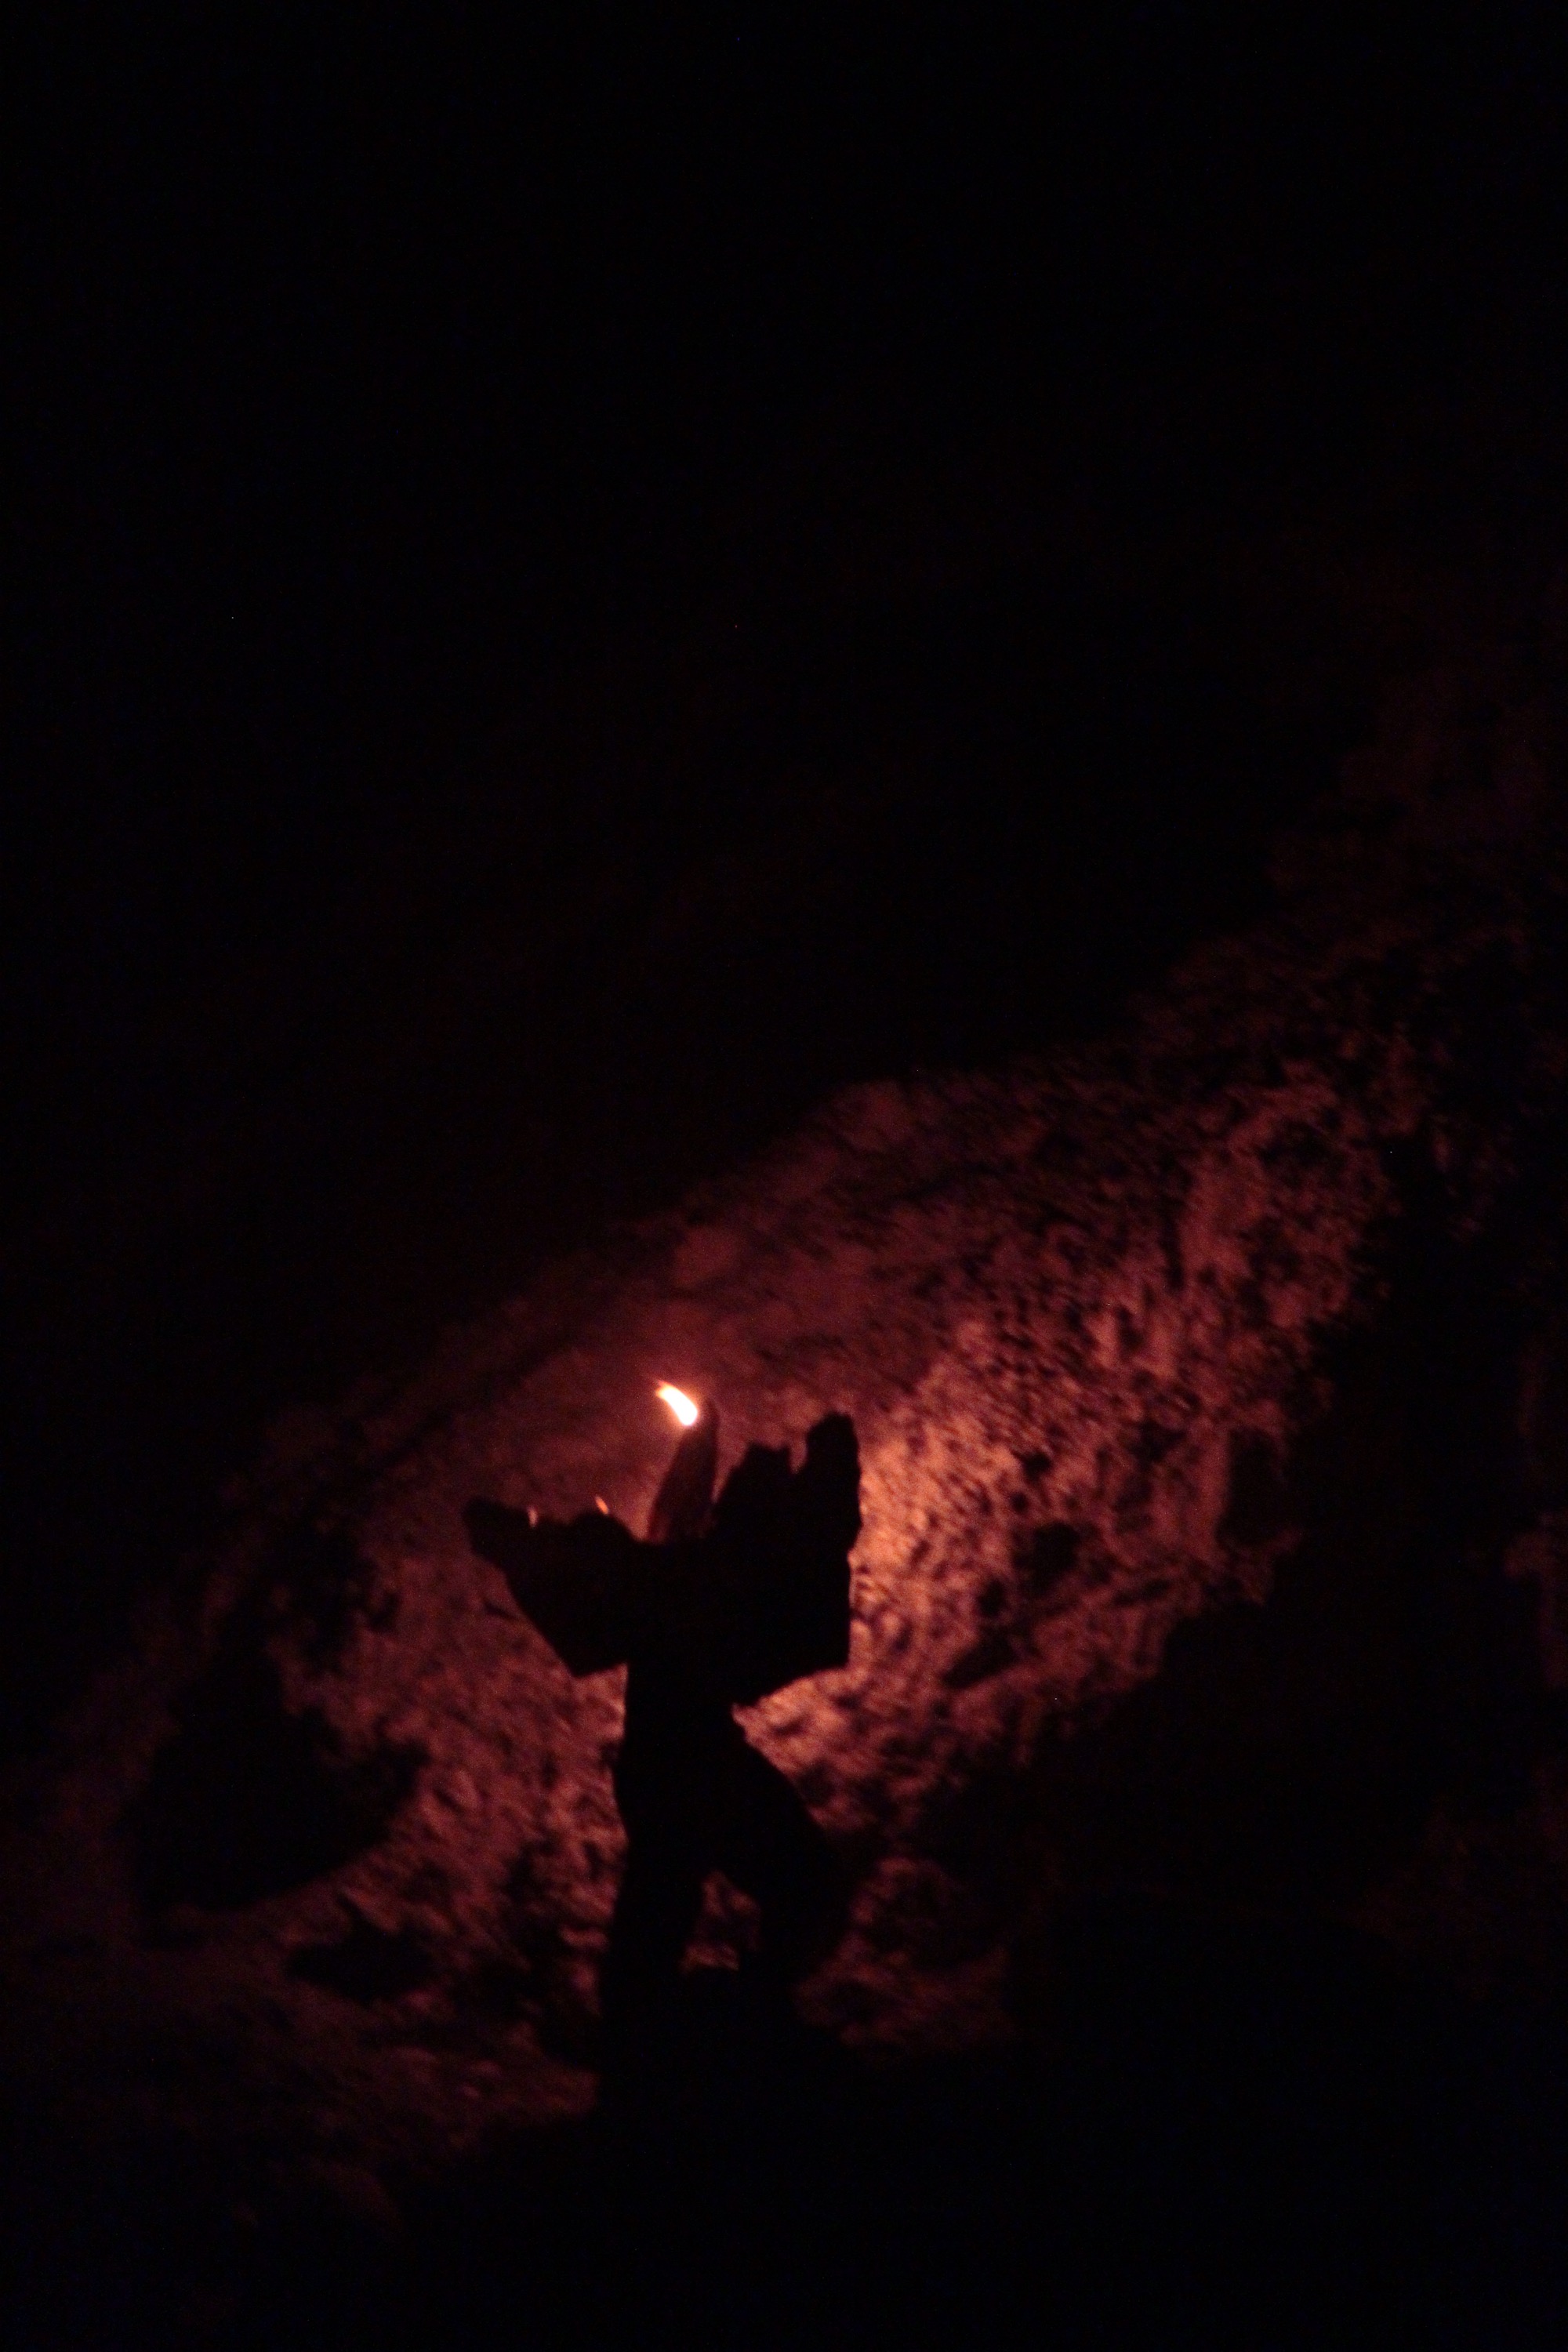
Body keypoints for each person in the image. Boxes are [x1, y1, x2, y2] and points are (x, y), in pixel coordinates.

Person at [464, 1401, 860, 2071]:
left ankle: (682, 2031)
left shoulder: (691, 1570)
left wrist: (707, 1441)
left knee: (746, 1892)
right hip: (683, 1774)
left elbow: (680, 1525)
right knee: (738, 1894)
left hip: (687, 1769)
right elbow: (685, 1534)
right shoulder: (692, 1575)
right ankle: (656, 2045)